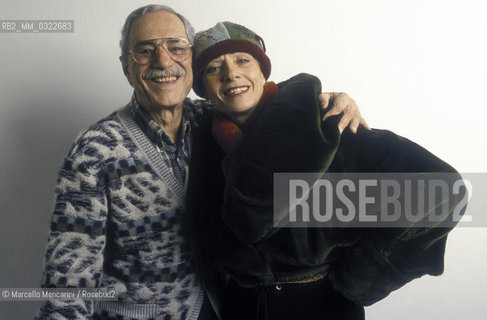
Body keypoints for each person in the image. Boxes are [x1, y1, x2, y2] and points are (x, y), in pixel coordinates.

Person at [34, 5, 366, 320]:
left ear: (191, 61)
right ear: (126, 66)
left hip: (225, 311)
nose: (163, 60)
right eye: (146, 49)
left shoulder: (214, 124)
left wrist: (326, 103)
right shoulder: (95, 151)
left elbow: (266, 105)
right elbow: (67, 284)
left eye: (176, 46)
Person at [187, 21, 463, 319]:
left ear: (261, 70)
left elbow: (442, 189)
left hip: (323, 306)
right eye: (214, 68)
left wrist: (358, 279)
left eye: (243, 60)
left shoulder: (327, 124)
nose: (231, 74)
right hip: (240, 307)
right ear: (203, 88)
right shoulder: (200, 141)